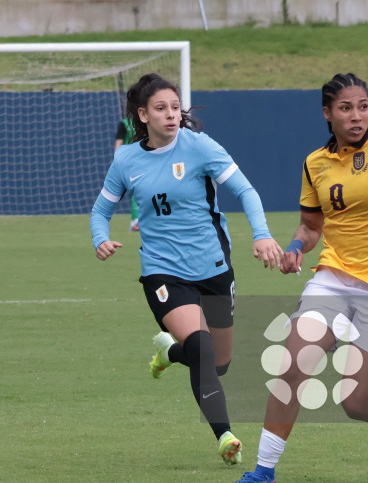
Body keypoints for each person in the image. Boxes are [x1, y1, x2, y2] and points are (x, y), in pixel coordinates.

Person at [90, 73, 283, 466]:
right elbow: (101, 209)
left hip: (213, 266)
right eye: (161, 109)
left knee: (219, 362)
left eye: (175, 107)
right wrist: (100, 238)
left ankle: (168, 352)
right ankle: (225, 436)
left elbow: (246, 190)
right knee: (202, 347)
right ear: (142, 115)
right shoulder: (126, 159)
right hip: (162, 272)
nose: (171, 115)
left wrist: (261, 235)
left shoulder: (199, 147)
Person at [236, 72, 368, 483]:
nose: (356, 116)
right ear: (327, 113)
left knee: (355, 403)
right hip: (332, 280)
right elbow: (311, 226)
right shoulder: (315, 163)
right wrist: (296, 249)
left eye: (363, 106)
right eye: (345, 108)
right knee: (293, 368)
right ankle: (263, 472)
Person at [113, 117, 140, 231]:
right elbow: (118, 143)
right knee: (137, 189)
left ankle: (139, 220)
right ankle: (136, 221)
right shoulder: (126, 124)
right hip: (135, 160)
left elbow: (118, 143)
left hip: (134, 159)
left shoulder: (125, 123)